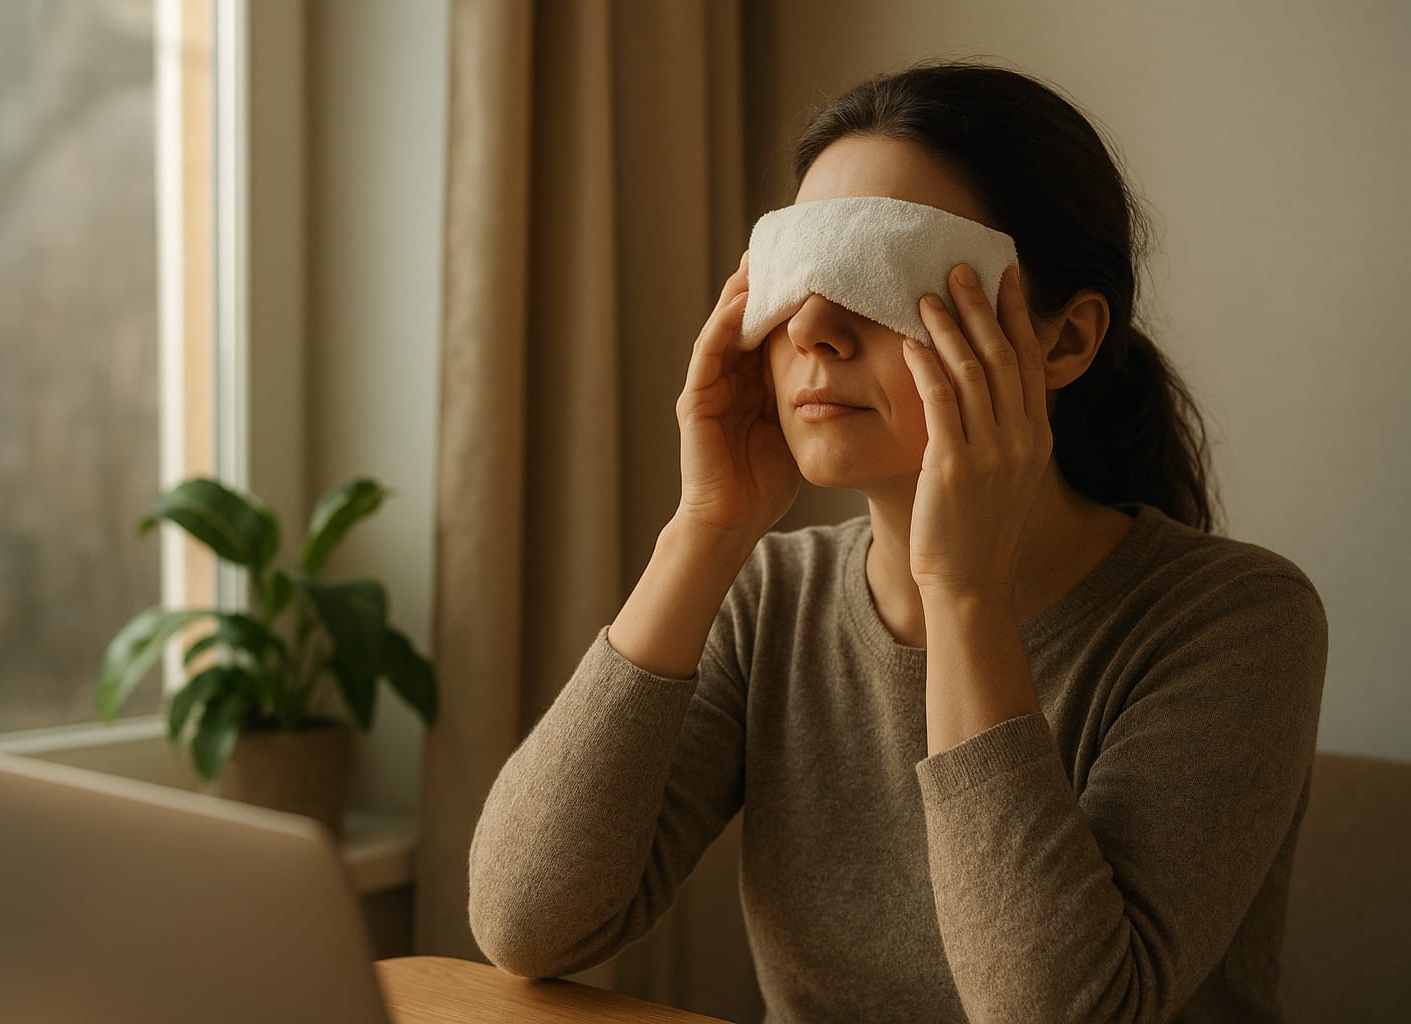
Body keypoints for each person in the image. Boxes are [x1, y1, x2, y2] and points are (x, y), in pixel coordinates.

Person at [467, 60, 1328, 1024]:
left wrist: (964, 592)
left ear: (1065, 341)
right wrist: (704, 529)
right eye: (797, 274)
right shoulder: (772, 598)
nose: (817, 329)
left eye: (884, 273)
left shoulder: (1238, 622)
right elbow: (526, 925)